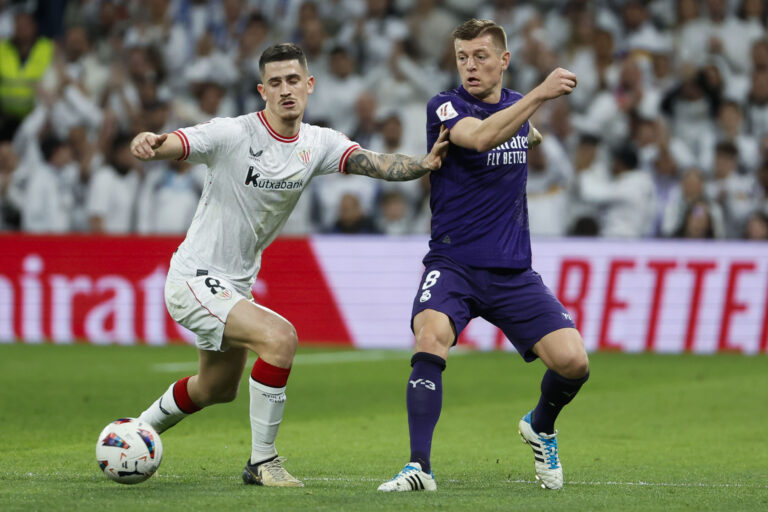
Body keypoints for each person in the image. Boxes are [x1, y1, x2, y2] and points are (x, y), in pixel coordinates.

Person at [129, 43, 449, 488]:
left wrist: (426, 163)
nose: (285, 90)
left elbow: (375, 163)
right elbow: (179, 142)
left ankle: (136, 431)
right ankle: (263, 463)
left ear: (309, 85)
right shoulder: (233, 133)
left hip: (233, 286)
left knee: (217, 388)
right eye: (275, 83)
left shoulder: (318, 143)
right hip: (193, 278)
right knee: (280, 339)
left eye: (293, 80)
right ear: (262, 91)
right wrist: (151, 142)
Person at [377, 19, 589, 493]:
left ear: (503, 60)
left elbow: (519, 133)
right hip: (454, 264)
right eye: (462, 58)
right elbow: (479, 138)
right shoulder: (446, 105)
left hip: (513, 271)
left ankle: (541, 426)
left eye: (480, 56)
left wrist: (527, 124)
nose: (470, 66)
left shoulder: (516, 109)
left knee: (574, 363)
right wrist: (540, 95)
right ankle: (419, 468)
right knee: (429, 336)